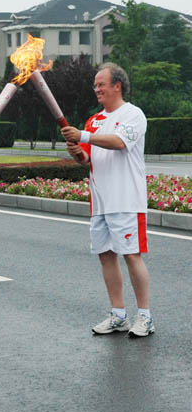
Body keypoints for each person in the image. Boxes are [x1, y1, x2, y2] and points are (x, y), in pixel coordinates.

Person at [61, 63, 153, 338]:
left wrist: (83, 136)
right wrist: (78, 150)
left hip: (126, 199)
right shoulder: (94, 119)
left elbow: (119, 143)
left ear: (117, 85)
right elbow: (87, 158)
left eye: (101, 84)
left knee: (131, 255)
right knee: (106, 256)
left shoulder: (133, 115)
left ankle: (145, 316)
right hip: (100, 202)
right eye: (95, 85)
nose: (97, 89)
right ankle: (118, 314)